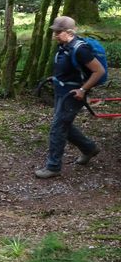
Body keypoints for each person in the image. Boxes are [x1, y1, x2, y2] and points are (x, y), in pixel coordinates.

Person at [35, 16, 105, 179]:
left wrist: (82, 90)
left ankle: (53, 167)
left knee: (57, 128)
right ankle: (89, 148)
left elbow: (99, 71)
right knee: (63, 125)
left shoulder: (80, 49)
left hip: (73, 95)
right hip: (62, 91)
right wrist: (56, 78)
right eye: (55, 32)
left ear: (69, 32)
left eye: (58, 32)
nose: (55, 35)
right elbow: (68, 68)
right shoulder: (65, 45)